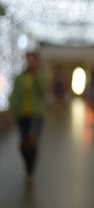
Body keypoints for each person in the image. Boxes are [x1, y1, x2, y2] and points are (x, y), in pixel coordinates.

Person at [9, 51, 47, 185]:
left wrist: (36, 75)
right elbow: (14, 94)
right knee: (23, 144)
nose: (29, 63)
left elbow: (43, 90)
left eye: (32, 60)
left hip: (36, 115)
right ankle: (27, 164)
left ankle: (30, 172)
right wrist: (11, 109)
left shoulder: (40, 75)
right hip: (22, 114)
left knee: (32, 142)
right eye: (28, 60)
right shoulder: (20, 77)